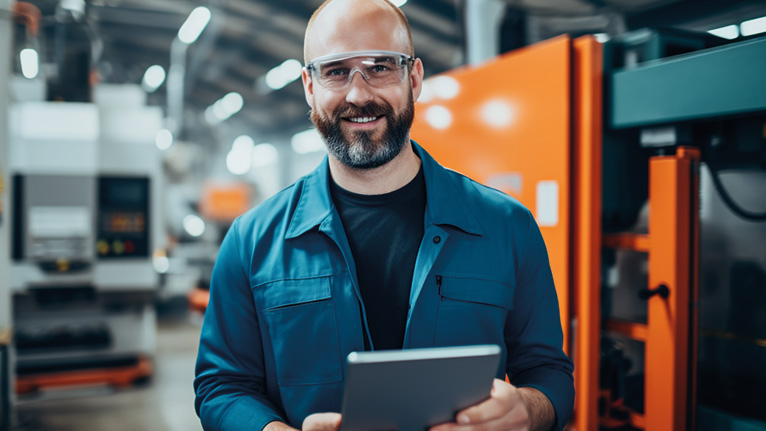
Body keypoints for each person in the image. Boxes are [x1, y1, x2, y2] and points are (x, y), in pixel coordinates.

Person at [194, 0, 574, 430]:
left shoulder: (508, 227)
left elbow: (549, 373)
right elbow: (221, 385)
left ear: (414, 78)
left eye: (380, 67)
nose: (359, 94)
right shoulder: (251, 241)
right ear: (309, 86)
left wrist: (527, 409)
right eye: (336, 70)